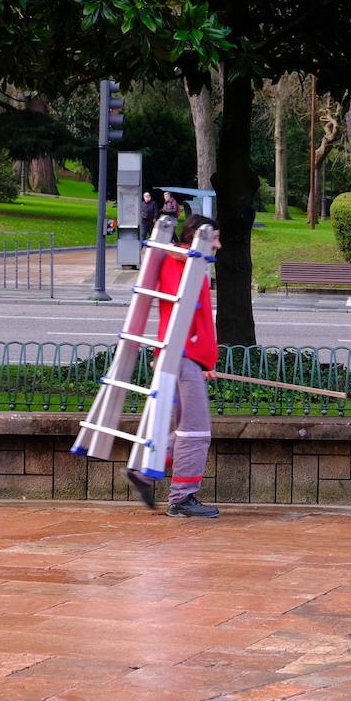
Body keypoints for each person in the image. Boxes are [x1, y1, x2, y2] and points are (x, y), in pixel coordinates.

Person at [127, 214, 221, 518]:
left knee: (186, 427)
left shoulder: (188, 266)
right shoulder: (181, 265)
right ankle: (181, 499)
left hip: (184, 356)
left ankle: (145, 472)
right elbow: (187, 319)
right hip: (182, 356)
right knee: (196, 431)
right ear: (199, 238)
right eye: (214, 238)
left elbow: (196, 322)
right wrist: (198, 358)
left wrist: (204, 361)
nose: (219, 244)